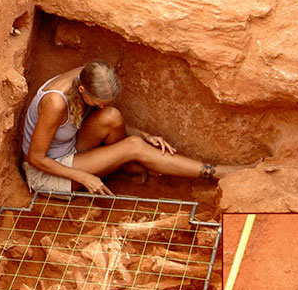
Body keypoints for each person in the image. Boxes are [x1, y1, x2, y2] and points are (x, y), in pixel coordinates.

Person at [22, 60, 252, 196]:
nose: (102, 106)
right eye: (99, 101)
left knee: (112, 117)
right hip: (46, 171)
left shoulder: (86, 74)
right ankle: (215, 172)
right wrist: (84, 177)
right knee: (133, 146)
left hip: (69, 148)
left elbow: (94, 116)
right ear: (82, 91)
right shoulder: (55, 103)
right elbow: (35, 158)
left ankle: (122, 163)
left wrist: (146, 135)